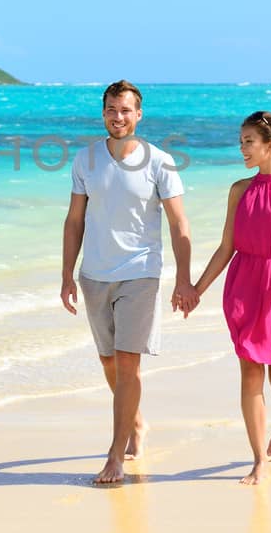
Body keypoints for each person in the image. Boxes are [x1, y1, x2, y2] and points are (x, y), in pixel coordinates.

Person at [60, 80, 197, 485]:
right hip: (94, 274)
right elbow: (74, 221)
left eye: (125, 110)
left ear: (139, 114)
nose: (117, 117)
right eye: (110, 110)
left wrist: (184, 280)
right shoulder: (85, 160)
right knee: (108, 362)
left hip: (140, 272)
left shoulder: (160, 162)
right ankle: (134, 424)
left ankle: (115, 454)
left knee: (127, 362)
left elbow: (178, 223)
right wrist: (67, 274)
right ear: (103, 113)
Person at [192, 110, 271, 486]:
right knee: (250, 375)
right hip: (244, 286)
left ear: (270, 145)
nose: (242, 148)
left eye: (248, 141)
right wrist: (197, 289)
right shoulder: (239, 190)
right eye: (242, 141)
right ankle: (259, 459)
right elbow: (226, 246)